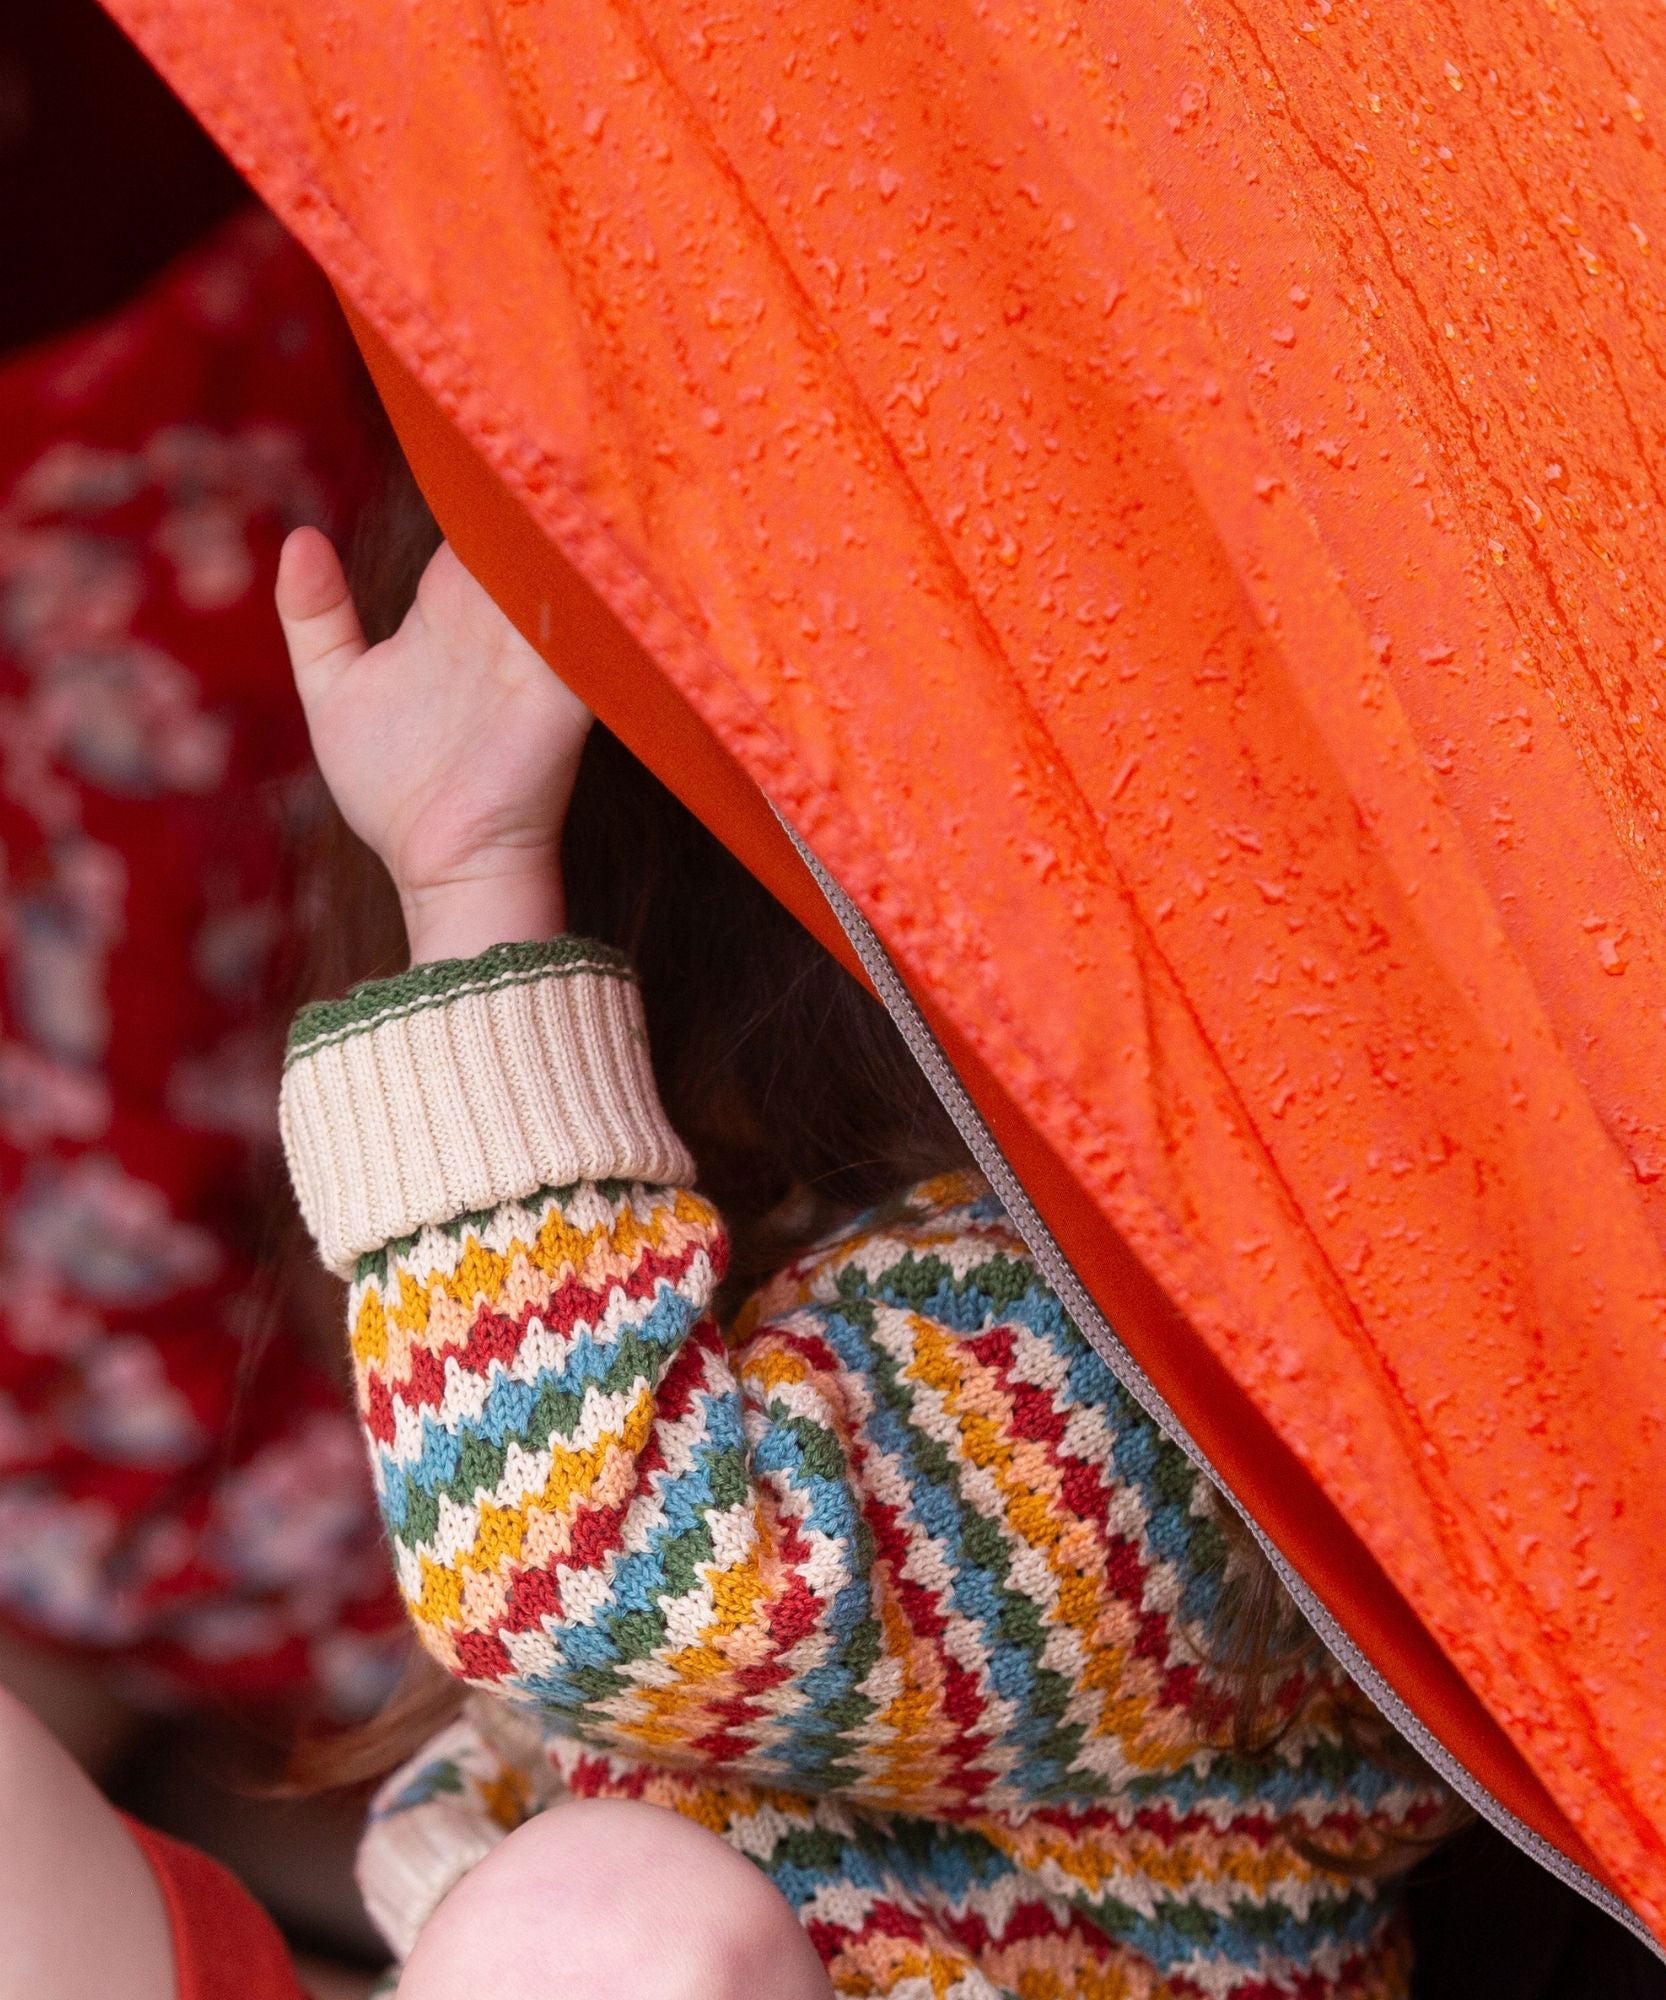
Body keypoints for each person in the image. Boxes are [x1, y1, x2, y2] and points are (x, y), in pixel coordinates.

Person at [263, 495, 1456, 2000]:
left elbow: (596, 1587)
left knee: (596, 1925)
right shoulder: (832, 1267)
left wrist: (468, 880)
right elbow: (519, 1750)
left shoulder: (1130, 1386)